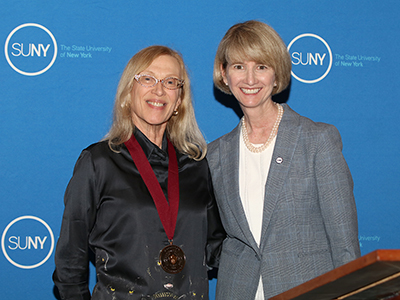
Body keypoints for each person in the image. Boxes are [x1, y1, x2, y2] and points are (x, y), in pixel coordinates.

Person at [53, 45, 225, 300]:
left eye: (170, 82)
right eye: (147, 79)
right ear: (128, 92)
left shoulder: (197, 165)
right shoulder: (98, 162)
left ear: (179, 100)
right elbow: (70, 261)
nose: (158, 90)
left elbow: (217, 249)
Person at [207, 20, 361, 299]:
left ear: (276, 75)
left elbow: (344, 244)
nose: (250, 79)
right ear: (224, 74)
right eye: (239, 66)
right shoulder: (215, 153)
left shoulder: (317, 140)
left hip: (308, 290)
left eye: (261, 67)